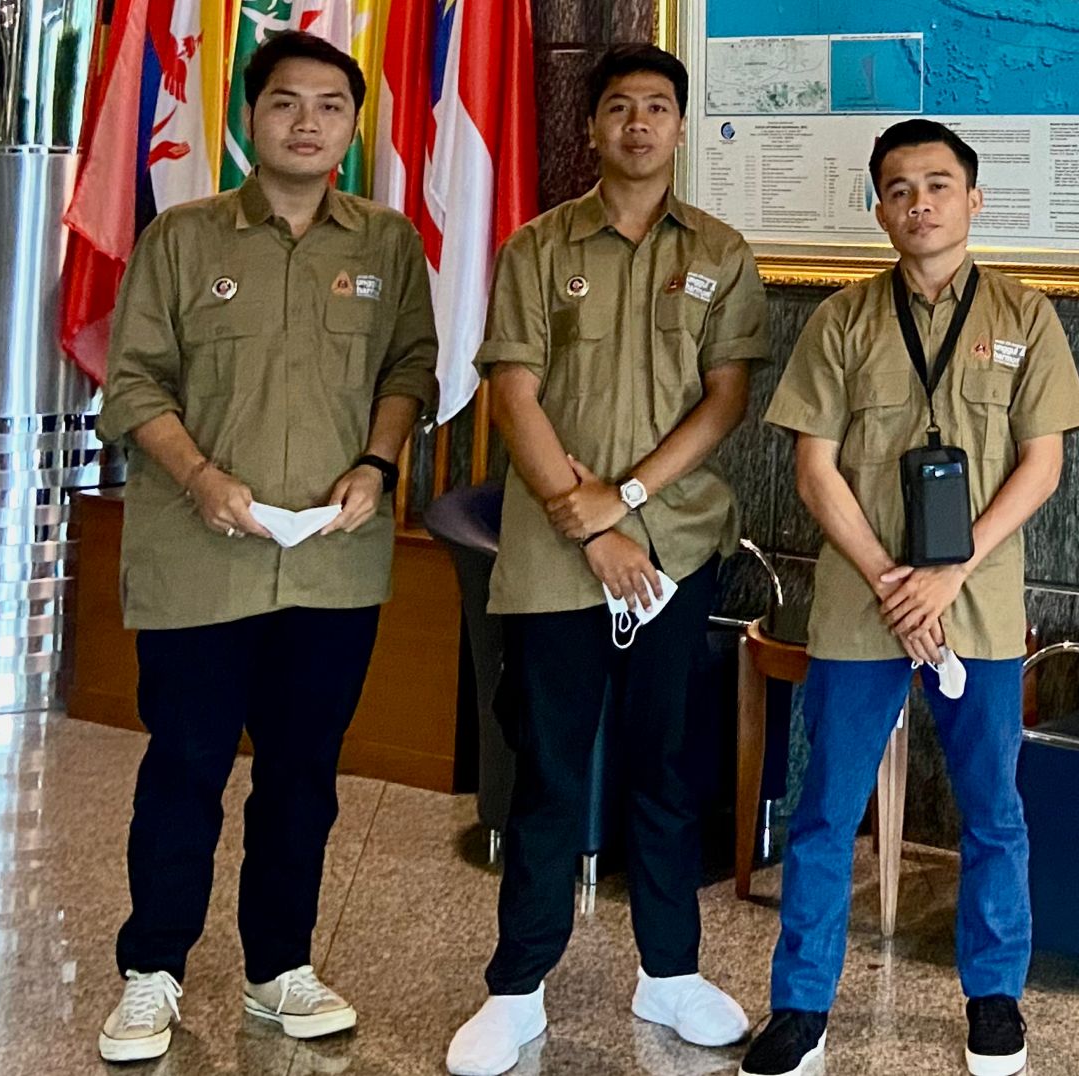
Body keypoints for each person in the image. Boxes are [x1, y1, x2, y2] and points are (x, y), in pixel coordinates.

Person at [93, 31, 439, 1063]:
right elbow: (133, 384)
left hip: (331, 560)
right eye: (286, 101)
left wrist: (377, 466)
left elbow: (410, 369)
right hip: (202, 558)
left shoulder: (386, 244)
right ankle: (151, 971)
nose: (306, 122)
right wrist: (202, 479)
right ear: (251, 117)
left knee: (303, 774)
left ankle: (278, 967)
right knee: (185, 766)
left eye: (330, 105)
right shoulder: (183, 238)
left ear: (353, 125)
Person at [740, 119, 1079, 1076]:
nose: (920, 204)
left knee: (992, 810)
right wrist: (891, 579)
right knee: (826, 810)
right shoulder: (842, 320)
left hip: (977, 600)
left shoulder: (1025, 315)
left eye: (938, 185)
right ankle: (800, 1009)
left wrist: (949, 570)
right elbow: (814, 470)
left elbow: (1043, 463)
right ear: (879, 209)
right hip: (863, 602)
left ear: (974, 200)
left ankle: (995, 998)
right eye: (899, 189)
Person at [445, 43, 770, 1076]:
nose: (638, 123)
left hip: (673, 546)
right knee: (547, 770)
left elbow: (725, 398)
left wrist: (624, 499)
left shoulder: (720, 251)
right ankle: (516, 987)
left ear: (681, 126)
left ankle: (669, 971)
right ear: (591, 127)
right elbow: (514, 393)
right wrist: (587, 525)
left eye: (658, 106)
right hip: (557, 555)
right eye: (619, 106)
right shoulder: (539, 247)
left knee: (665, 769)